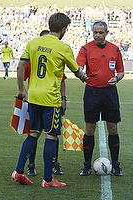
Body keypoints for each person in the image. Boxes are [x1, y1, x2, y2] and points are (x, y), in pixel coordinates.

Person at [11, 12, 88, 188]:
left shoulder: (33, 43)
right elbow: (77, 72)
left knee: (33, 133)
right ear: (63, 29)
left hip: (34, 96)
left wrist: (21, 89)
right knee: (51, 136)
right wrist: (85, 78)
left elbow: (20, 66)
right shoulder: (63, 48)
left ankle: (18, 171)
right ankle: (47, 179)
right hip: (51, 99)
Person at [76, 21, 125, 176]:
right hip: (92, 93)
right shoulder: (86, 49)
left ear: (106, 33)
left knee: (113, 128)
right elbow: (78, 67)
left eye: (100, 32)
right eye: (95, 32)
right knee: (89, 129)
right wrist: (81, 74)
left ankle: (116, 165)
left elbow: (121, 71)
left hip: (110, 93)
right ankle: (86, 166)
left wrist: (117, 78)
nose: (97, 35)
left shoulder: (115, 49)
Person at [23, 30, 67, 177]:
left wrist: (64, 98)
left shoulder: (42, 55)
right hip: (48, 100)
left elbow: (62, 80)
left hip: (36, 99)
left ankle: (52, 165)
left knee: (36, 133)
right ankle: (34, 167)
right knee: (49, 134)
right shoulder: (35, 59)